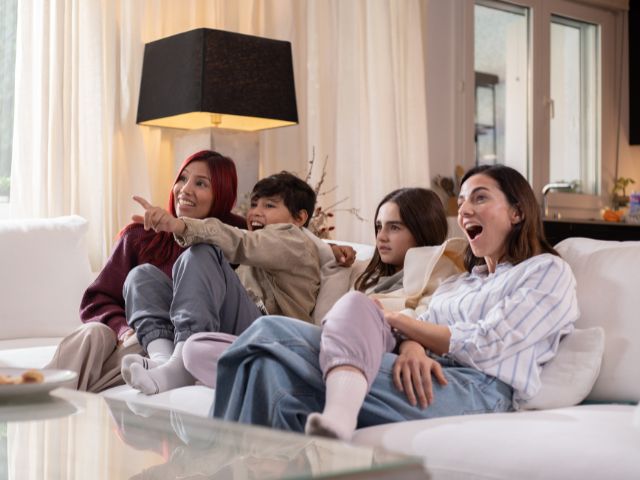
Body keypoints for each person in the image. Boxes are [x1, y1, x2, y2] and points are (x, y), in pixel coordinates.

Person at [211, 164, 580, 440]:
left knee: (266, 335)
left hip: (480, 389)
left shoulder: (546, 271)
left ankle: (335, 415)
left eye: (480, 197)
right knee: (271, 367)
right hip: (428, 369)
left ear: (517, 212)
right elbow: (422, 324)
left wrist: (403, 324)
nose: (465, 209)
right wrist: (412, 346)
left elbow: (489, 343)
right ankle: (336, 417)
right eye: (463, 201)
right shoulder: (462, 283)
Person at [180, 187, 465, 388]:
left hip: (350, 353)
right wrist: (331, 251)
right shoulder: (361, 270)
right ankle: (266, 374)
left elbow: (426, 322)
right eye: (379, 227)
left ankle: (267, 375)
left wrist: (411, 345)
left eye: (394, 227)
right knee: (195, 349)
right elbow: (315, 269)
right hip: (318, 343)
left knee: (252, 334)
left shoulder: (442, 278)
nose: (381, 237)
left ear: (422, 228)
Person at [45, 150, 245, 392]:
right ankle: (42, 397)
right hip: (149, 338)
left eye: (201, 183)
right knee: (94, 332)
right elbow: (97, 300)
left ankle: (173, 365)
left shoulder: (237, 239)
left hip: (205, 340)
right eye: (182, 178)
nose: (185, 189)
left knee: (199, 253)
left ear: (222, 195)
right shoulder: (142, 237)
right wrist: (122, 329)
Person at [120, 171, 324, 395]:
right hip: (242, 328)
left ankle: (181, 366)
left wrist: (179, 226)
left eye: (269, 205)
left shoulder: (295, 240)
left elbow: (241, 241)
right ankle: (164, 360)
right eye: (254, 204)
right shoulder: (262, 250)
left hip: (273, 339)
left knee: (203, 252)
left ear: (299, 218)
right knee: (142, 276)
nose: (256, 212)